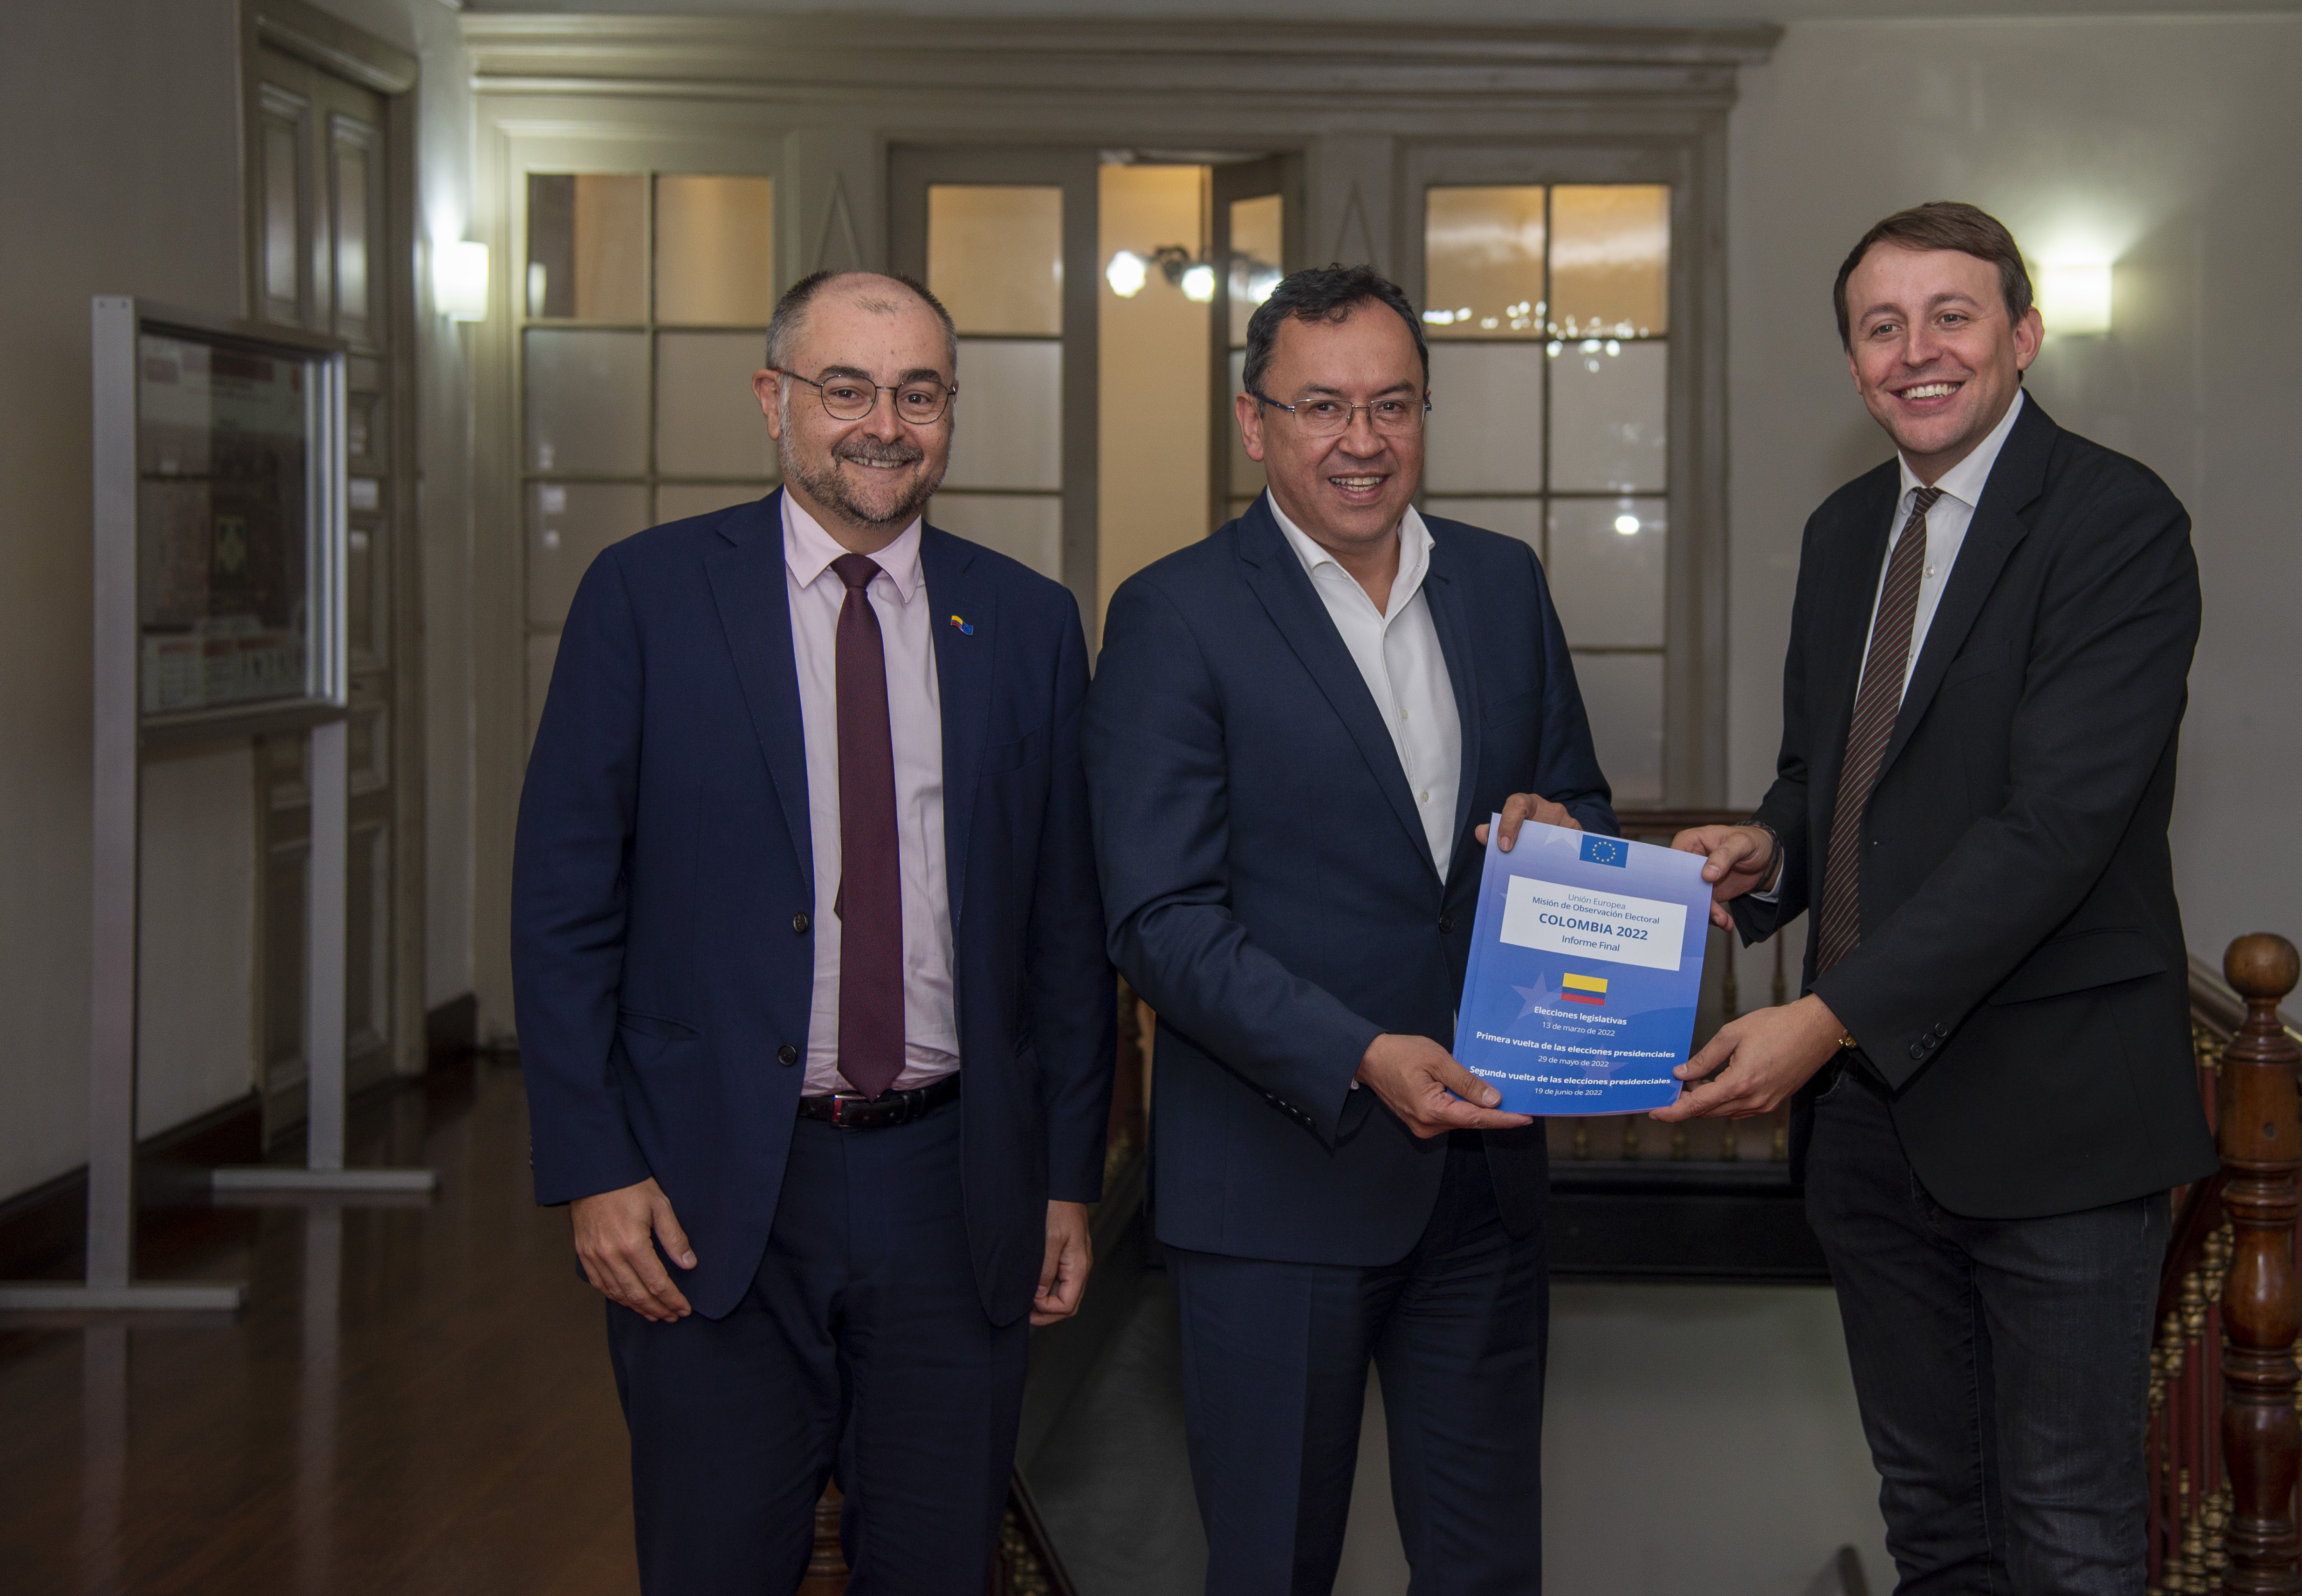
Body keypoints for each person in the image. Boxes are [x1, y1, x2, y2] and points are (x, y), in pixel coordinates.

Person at [512, 270, 1119, 1596]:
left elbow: (1065, 935)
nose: (883, 425)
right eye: (847, 389)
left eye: (918, 394)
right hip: (709, 1187)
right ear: (773, 399)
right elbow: (562, 905)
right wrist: (594, 1164)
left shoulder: (1025, 622)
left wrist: (1067, 1178)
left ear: (950, 412)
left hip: (955, 1189)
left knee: (938, 1566)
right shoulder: (647, 597)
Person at [1662, 203, 2216, 1593]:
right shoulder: (1844, 530)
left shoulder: (2115, 520)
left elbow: (2054, 830)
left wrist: (1823, 1019)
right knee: (1932, 1520)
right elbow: (1831, 771)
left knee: (2070, 1532)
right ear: (1854, 361)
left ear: (2022, 335)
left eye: (1950, 316)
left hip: (2055, 1115)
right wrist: (1771, 851)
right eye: (1881, 326)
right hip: (1867, 1130)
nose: (1916, 351)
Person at [1086, 264, 1615, 1596]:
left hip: (1484, 1183)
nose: (1360, 440)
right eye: (1320, 406)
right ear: (1252, 421)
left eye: (1391, 404)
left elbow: (1582, 808)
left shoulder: (1501, 584)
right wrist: (1358, 1054)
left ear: (1425, 412)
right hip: (1278, 1184)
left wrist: (1558, 833)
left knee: (1488, 1570)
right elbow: (1157, 919)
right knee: (1272, 1568)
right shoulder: (1175, 613)